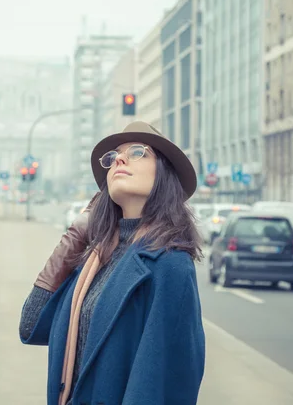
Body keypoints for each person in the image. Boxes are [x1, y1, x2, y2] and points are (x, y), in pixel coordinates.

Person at [19, 121, 206, 405]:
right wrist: (78, 232)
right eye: (114, 156)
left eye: (137, 152)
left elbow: (166, 385)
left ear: (164, 173)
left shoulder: (170, 265)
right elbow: (31, 325)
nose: (118, 158)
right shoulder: (97, 258)